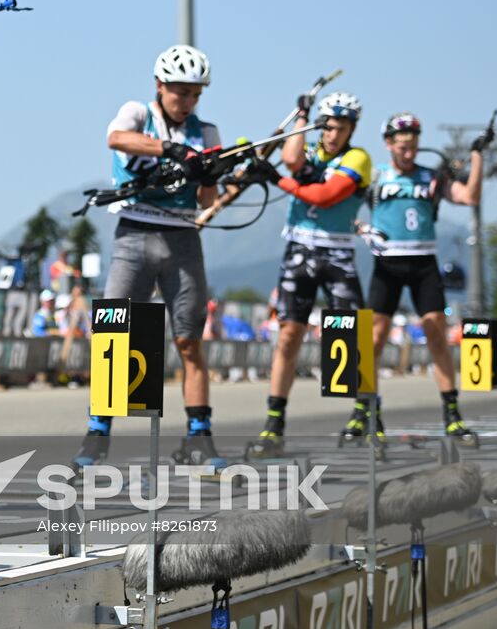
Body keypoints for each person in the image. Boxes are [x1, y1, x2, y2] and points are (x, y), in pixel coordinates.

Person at [76, 45, 227, 471]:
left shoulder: (206, 131)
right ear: (160, 86)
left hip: (182, 236)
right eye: (180, 92)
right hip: (134, 233)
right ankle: (98, 431)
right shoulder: (138, 113)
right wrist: (171, 150)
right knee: (114, 334)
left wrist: (209, 176)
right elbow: (116, 139)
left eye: (195, 94)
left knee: (188, 340)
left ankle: (200, 435)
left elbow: (206, 200)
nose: (188, 102)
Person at [244, 91, 372, 458]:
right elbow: (290, 157)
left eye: (342, 128)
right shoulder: (312, 153)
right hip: (300, 249)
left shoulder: (357, 158)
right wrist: (301, 116)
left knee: (349, 337)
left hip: (337, 251)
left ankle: (363, 411)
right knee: (288, 335)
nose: (333, 135)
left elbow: (324, 196)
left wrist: (275, 180)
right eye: (328, 127)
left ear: (351, 130)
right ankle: (274, 422)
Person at [364, 112, 490, 445]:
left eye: (414, 146)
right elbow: (345, 211)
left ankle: (452, 414)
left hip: (423, 263)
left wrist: (477, 158)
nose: (409, 153)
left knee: (436, 332)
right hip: (387, 264)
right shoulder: (375, 176)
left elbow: (469, 197)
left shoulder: (431, 177)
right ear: (389, 144)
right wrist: (362, 229)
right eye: (403, 146)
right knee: (373, 340)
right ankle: (368, 413)